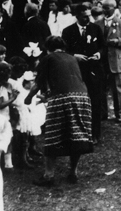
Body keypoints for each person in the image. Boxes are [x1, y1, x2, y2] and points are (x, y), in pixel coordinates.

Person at [25, 36, 93, 186]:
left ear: (47, 47)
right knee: (76, 134)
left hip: (62, 98)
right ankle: (73, 172)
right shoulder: (72, 58)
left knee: (53, 134)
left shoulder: (48, 58)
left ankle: (49, 175)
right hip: (82, 97)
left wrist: (28, 98)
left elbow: (38, 83)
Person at [62, 4, 105, 142]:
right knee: (77, 101)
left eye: (89, 16)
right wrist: (75, 56)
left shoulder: (96, 28)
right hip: (77, 71)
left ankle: (95, 133)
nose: (88, 19)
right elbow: (64, 51)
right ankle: (77, 132)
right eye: (85, 16)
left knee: (95, 101)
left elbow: (103, 47)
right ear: (77, 16)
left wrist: (98, 54)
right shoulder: (68, 31)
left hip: (93, 70)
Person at [95, 0, 121, 122]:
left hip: (115, 60)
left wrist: (118, 42)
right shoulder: (97, 23)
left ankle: (119, 113)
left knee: (117, 89)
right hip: (101, 60)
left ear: (114, 8)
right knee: (101, 88)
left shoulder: (120, 23)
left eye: (107, 8)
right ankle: (103, 113)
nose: (105, 10)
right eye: (103, 7)